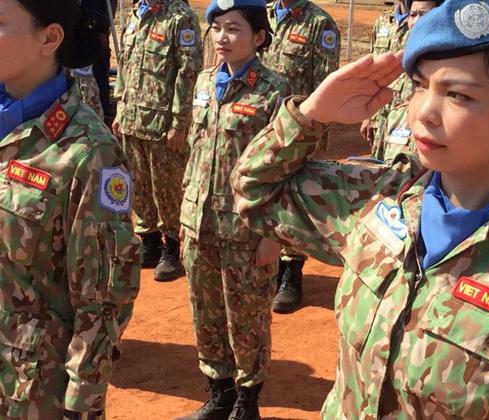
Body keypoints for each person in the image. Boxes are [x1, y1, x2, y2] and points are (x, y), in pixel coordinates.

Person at [232, 0, 489, 417]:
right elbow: (254, 190)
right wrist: (312, 114)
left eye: (458, 94)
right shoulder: (377, 201)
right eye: (419, 85)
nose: (423, 114)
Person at [0, 0, 141, 418]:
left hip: (33, 391)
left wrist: (82, 403)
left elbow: (103, 301)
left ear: (50, 37)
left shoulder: (89, 154)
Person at [175, 1, 289, 419]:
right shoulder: (205, 82)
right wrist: (183, 218)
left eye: (235, 29)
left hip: (245, 229)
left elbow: (284, 169)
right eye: (218, 28)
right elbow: (195, 152)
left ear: (259, 37)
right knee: (204, 311)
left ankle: (247, 400)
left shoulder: (274, 90)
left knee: (247, 318)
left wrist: (271, 234)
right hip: (199, 219)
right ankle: (219, 392)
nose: (223, 37)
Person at [112, 0, 203, 282]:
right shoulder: (136, 14)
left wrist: (180, 122)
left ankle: (173, 248)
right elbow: (125, 66)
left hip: (163, 124)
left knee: (168, 188)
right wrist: (120, 108)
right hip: (132, 118)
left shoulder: (180, 17)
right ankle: (149, 242)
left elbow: (188, 75)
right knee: (138, 185)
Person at [261, 0, 341, 313]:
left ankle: (290, 274)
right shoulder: (262, 15)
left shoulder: (320, 23)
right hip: (259, 124)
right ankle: (264, 269)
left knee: (292, 199)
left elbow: (324, 86)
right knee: (262, 193)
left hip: (298, 130)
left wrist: (316, 134)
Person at [370, 0, 439, 163]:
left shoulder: (445, 60)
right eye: (413, 15)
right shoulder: (382, 22)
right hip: (389, 117)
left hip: (414, 120)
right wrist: (371, 117)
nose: (416, 20)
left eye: (424, 15)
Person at [361, 0, 412, 165]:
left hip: (407, 117)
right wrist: (368, 117)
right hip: (380, 114)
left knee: (403, 171)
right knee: (378, 171)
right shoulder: (383, 21)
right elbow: (372, 68)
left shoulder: (426, 20)